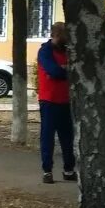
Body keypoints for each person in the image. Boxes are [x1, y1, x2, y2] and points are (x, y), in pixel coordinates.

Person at [36, 22, 75, 184]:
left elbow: (74, 70)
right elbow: (54, 71)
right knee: (48, 137)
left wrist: (64, 69)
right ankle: (47, 171)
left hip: (66, 100)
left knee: (68, 137)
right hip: (49, 100)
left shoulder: (68, 50)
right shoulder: (45, 51)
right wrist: (66, 69)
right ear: (58, 35)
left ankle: (69, 169)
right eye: (66, 35)